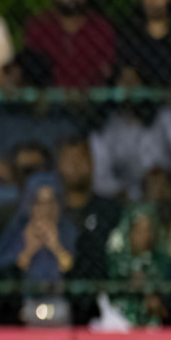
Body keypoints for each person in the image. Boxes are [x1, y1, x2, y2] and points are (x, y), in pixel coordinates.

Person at [0, 50, 79, 219]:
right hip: (11, 188)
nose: (11, 84)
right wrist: (30, 188)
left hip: (53, 186)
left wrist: (44, 189)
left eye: (17, 79)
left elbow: (71, 160)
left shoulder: (58, 117)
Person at [0, 172, 78, 326]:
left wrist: (56, 246)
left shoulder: (69, 231)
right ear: (29, 206)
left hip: (63, 309)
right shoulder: (17, 232)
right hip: (24, 310)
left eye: (52, 201)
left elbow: (79, 270)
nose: (46, 209)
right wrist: (28, 249)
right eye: (39, 202)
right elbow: (1, 268)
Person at [56, 135, 122, 324]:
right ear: (59, 165)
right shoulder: (51, 211)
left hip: (105, 305)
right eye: (69, 160)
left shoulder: (111, 211)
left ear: (92, 163)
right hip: (55, 302)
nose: (76, 165)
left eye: (82, 158)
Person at [88, 93, 171, 204]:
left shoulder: (167, 117)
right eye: (163, 194)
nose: (158, 189)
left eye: (157, 193)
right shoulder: (165, 117)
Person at [23, 0, 116, 91]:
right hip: (49, 102)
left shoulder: (101, 28)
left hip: (92, 102)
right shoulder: (39, 27)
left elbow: (107, 71)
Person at [103, 204, 171, 327]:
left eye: (148, 230)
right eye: (138, 229)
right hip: (118, 321)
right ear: (129, 232)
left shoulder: (162, 261)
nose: (144, 236)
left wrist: (157, 299)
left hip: (157, 326)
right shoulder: (117, 261)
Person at [0, 140, 52, 232]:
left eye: (31, 170)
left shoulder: (62, 210)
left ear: (47, 170)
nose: (27, 177)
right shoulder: (0, 217)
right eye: (19, 170)